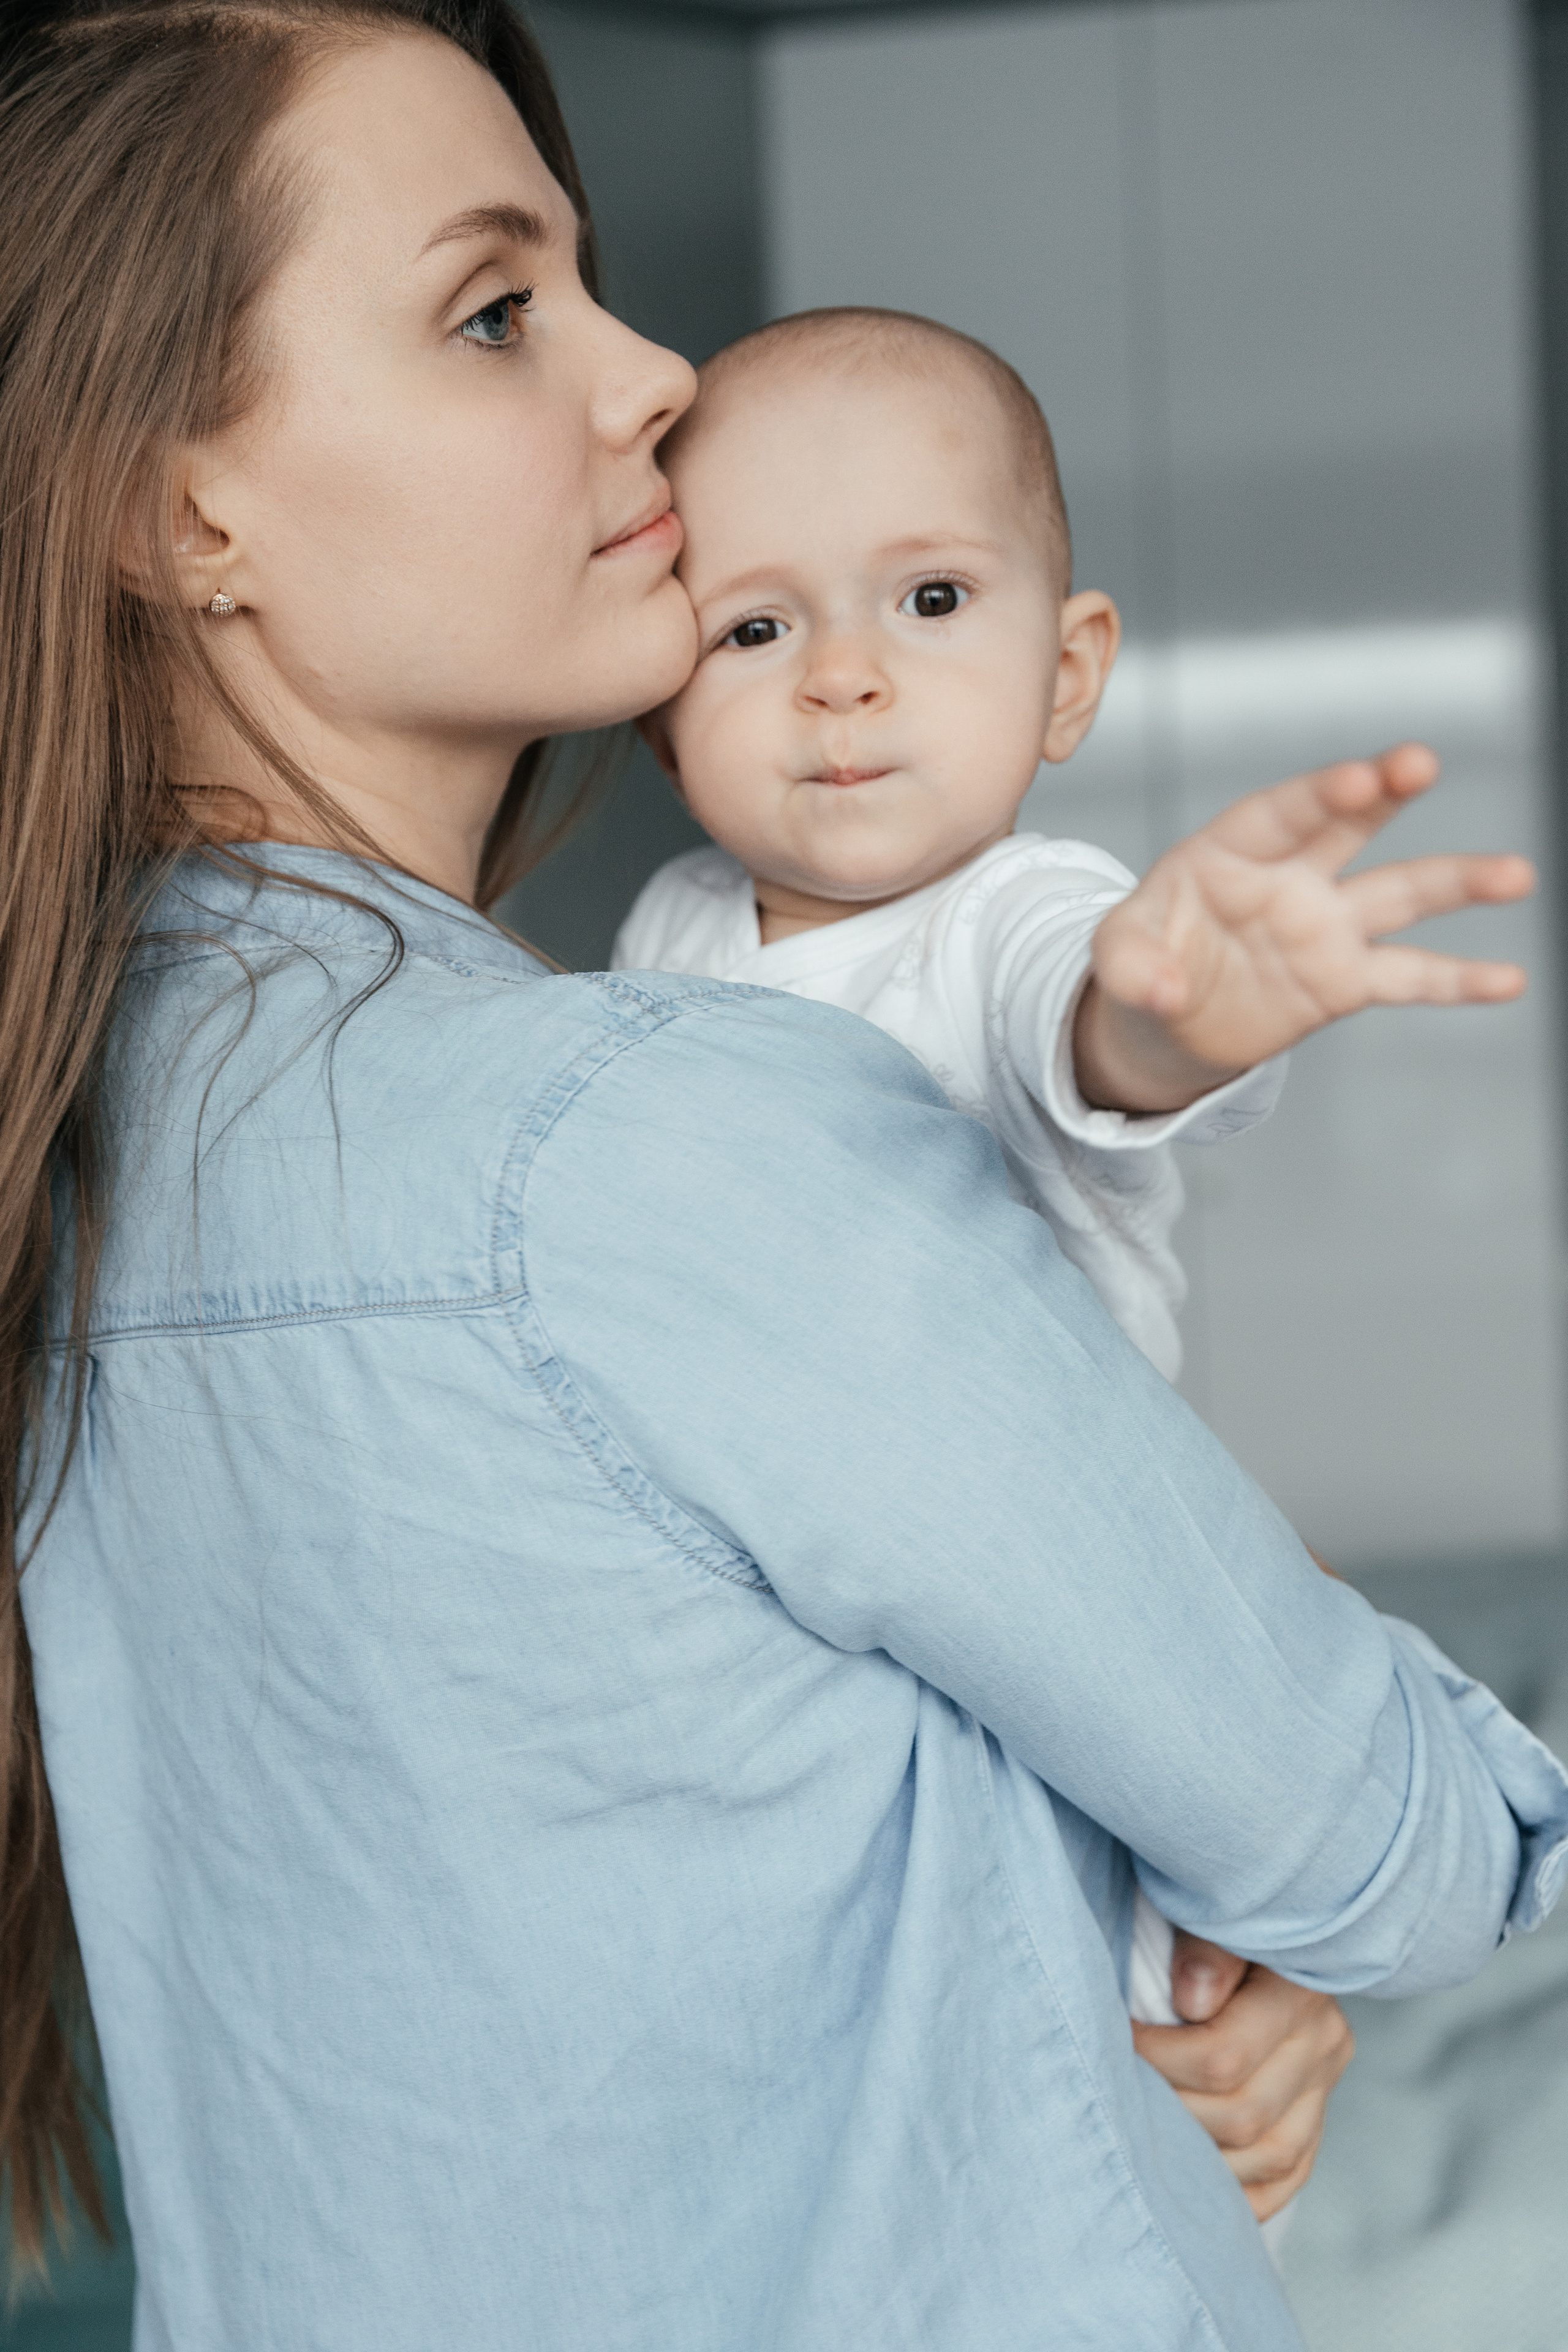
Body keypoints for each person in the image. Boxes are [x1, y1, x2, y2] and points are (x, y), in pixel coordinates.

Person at [1, 6, 1562, 2349]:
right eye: (498, 310)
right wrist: (1268, 1759)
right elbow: (1404, 1852)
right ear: (173, 509)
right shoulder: (645, 1131)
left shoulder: (88, 1148)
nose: (653, 375)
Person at [612, 306, 1534, 2058]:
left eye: (932, 599)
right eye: (755, 625)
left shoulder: (1020, 911)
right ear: (663, 718)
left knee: (1097, 2019)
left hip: (1050, 1625)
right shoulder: (671, 938)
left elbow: (1085, 1035)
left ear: (1071, 669)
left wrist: (1177, 1011)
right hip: (799, 1618)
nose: (845, 676)